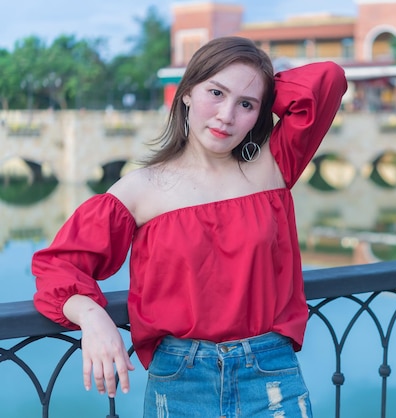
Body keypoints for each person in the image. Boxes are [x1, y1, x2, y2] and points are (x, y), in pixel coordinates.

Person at [32, 36, 347, 417]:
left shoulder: (273, 167)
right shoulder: (139, 190)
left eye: (245, 104)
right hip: (181, 379)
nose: (226, 115)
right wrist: (92, 316)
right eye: (215, 92)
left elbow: (327, 79)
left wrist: (261, 83)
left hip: (270, 374)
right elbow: (58, 266)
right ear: (186, 94)